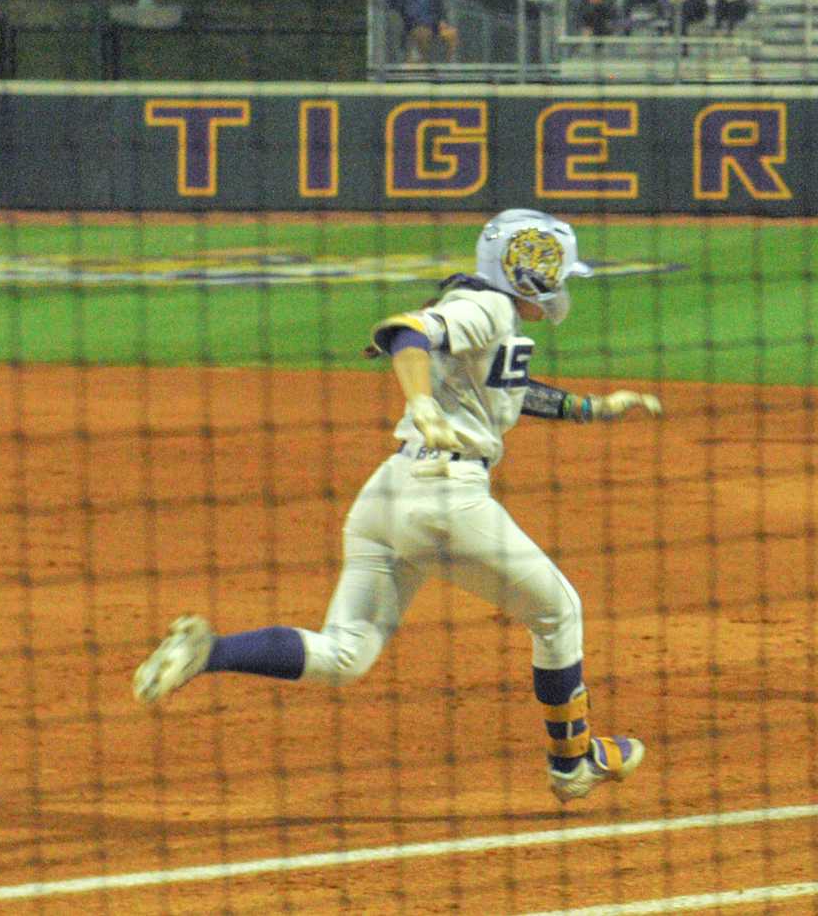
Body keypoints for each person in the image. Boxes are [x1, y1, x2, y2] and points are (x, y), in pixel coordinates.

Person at [131, 209, 664, 804]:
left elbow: (500, 391)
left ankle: (211, 651)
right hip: (445, 500)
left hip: (386, 496)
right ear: (529, 270)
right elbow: (406, 333)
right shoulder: (487, 306)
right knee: (561, 612)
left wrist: (587, 409)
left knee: (345, 653)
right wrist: (423, 403)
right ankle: (574, 762)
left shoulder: (495, 315)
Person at [389, 0, 460, 64]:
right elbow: (398, 8)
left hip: (434, 26)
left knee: (452, 33)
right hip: (415, 27)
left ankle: (447, 64)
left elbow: (440, 10)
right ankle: (424, 61)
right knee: (422, 32)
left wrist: (443, 21)